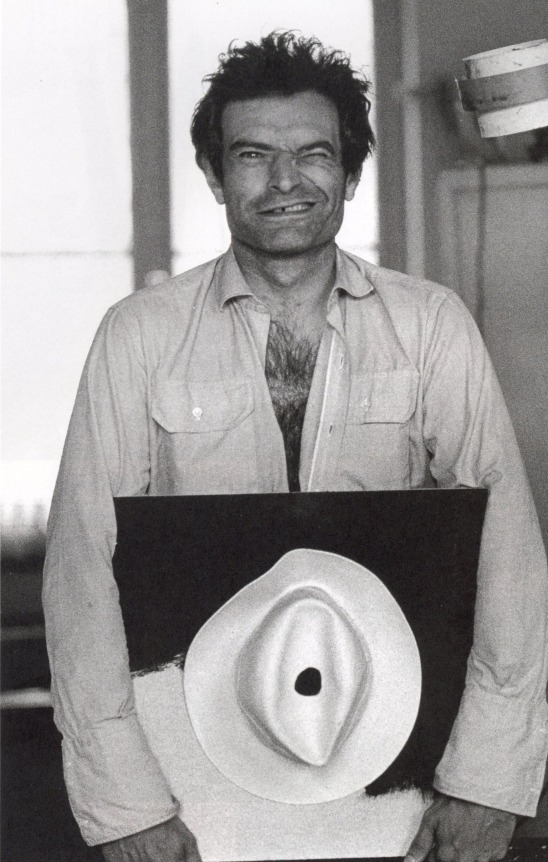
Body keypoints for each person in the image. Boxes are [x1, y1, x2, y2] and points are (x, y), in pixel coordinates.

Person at [43, 31, 548, 862]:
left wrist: (488, 778)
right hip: (188, 768)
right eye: (252, 155)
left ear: (350, 174)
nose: (285, 181)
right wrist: (123, 802)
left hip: (398, 768)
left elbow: (510, 554)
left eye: (315, 153)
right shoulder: (137, 337)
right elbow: (80, 569)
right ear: (213, 174)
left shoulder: (431, 326)